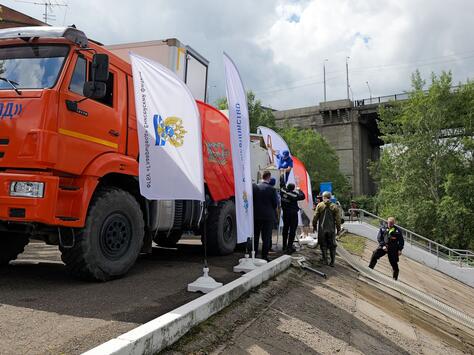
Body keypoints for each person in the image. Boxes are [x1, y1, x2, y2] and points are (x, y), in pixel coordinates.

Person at [253, 171, 278, 261]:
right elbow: (275, 204)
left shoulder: (255, 187)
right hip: (268, 216)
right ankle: (264, 256)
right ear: (269, 177)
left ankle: (254, 255)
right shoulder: (272, 189)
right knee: (266, 237)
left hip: (256, 215)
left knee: (255, 236)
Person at [312, 191, 341, 266]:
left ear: (323, 197)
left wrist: (314, 226)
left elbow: (315, 217)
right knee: (332, 245)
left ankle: (325, 260)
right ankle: (332, 262)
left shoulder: (319, 205)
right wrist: (338, 229)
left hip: (322, 229)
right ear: (330, 197)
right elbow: (338, 220)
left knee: (323, 244)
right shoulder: (335, 206)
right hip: (331, 229)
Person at [280, 181, 305, 254]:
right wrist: (299, 189)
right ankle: (289, 247)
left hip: (285, 213)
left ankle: (284, 245)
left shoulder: (282, 191)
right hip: (293, 215)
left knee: (285, 229)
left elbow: (282, 185)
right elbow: (302, 196)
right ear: (293, 189)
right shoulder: (293, 195)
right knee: (292, 230)